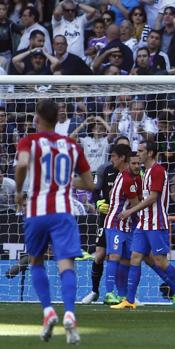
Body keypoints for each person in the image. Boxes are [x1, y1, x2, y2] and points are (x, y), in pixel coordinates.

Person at [14, 99, 95, 344]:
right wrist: (66, 183)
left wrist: (19, 191)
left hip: (36, 210)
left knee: (36, 260)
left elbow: (23, 164)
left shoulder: (29, 141)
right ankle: (70, 312)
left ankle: (48, 311)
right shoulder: (71, 145)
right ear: (57, 118)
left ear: (37, 118)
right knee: (66, 264)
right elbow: (90, 184)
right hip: (63, 211)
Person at [111, 140, 175, 310]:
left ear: (150, 153)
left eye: (142, 151)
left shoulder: (158, 171)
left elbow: (153, 198)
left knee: (161, 262)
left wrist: (130, 211)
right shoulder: (146, 172)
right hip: (143, 223)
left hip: (156, 223)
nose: (139, 153)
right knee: (135, 257)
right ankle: (129, 300)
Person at [100, 144, 140, 305]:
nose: (111, 160)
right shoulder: (125, 177)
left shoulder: (124, 176)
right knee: (114, 256)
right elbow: (137, 204)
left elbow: (113, 195)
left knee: (125, 260)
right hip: (115, 223)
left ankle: (122, 295)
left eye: (114, 156)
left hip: (126, 225)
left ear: (122, 158)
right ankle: (109, 293)